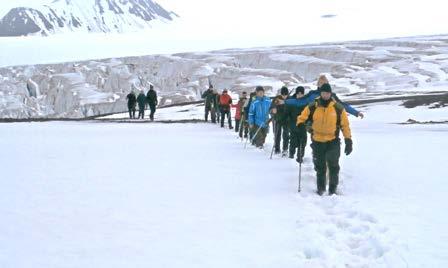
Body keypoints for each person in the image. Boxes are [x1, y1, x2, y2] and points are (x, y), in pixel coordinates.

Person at [297, 83, 353, 196]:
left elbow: (345, 125)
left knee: (333, 166)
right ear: (321, 93)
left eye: (327, 93)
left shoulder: (338, 108)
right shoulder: (313, 106)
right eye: (323, 93)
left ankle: (332, 190)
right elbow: (301, 117)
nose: (325, 95)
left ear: (330, 93)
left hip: (332, 140)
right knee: (320, 167)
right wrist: (300, 124)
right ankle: (321, 189)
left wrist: (348, 140)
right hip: (317, 140)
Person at [286, 74, 364, 118]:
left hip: (330, 123)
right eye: (321, 83)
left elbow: (343, 106)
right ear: (318, 84)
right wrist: (284, 101)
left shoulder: (332, 96)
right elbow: (298, 101)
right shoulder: (312, 94)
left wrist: (356, 112)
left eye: (324, 83)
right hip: (315, 123)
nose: (323, 85)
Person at [285, 86, 307, 163]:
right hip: (293, 125)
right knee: (293, 141)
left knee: (303, 141)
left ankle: (300, 157)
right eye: (298, 93)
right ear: (296, 94)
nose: (300, 95)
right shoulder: (291, 102)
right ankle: (291, 153)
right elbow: (286, 113)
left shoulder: (306, 103)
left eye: (301, 94)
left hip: (303, 126)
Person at [270, 86, 290, 156]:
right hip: (278, 119)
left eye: (286, 95)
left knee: (286, 135)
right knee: (277, 134)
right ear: (281, 94)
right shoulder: (276, 99)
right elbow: (271, 107)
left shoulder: (289, 99)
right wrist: (273, 110)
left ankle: (285, 149)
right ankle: (277, 148)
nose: (284, 96)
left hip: (286, 120)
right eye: (283, 95)